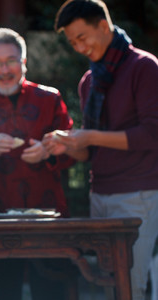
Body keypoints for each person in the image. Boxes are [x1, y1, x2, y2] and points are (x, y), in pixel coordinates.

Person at [48, 1, 158, 299]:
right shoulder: (89, 81)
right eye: (72, 42)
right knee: (106, 285)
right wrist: (67, 144)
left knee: (131, 285)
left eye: (82, 37)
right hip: (100, 193)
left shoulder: (144, 66)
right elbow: (89, 153)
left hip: (138, 193)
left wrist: (90, 135)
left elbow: (152, 134)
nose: (79, 47)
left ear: (103, 25)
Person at [0, 28, 75, 300]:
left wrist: (49, 154)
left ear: (23, 62)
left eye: (11, 60)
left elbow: (74, 152)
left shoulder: (50, 99)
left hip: (48, 214)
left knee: (52, 292)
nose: (5, 69)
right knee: (3, 292)